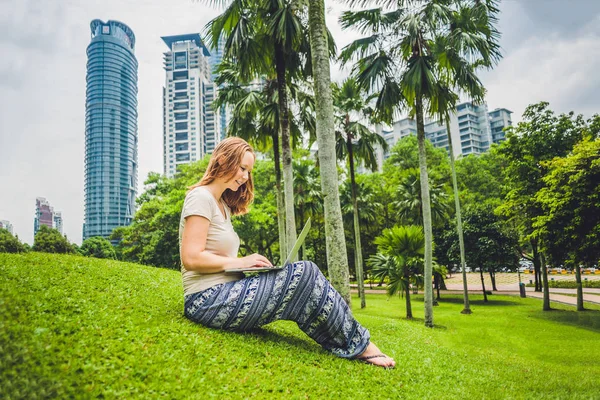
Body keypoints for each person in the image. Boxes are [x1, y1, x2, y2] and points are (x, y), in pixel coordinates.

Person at [179, 137, 395, 368]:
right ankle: (361, 346)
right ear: (222, 159)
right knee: (305, 273)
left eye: (248, 172)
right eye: (242, 168)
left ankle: (354, 342)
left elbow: (218, 257)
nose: (245, 177)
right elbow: (191, 258)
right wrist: (241, 261)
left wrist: (249, 267)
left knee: (306, 275)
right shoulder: (200, 197)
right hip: (206, 301)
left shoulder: (222, 205)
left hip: (227, 291)